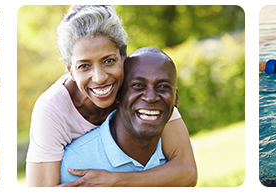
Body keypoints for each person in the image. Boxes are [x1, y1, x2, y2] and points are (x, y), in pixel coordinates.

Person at [24, 5, 196, 187]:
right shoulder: (52, 109)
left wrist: (114, 181)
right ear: (70, 71)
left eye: (108, 61)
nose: (100, 78)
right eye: (84, 66)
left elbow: (186, 171)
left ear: (123, 56)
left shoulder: (140, 89)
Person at [60, 47, 184, 185]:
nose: (151, 98)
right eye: (138, 85)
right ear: (117, 95)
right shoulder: (73, 166)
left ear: (176, 99)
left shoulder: (175, 151)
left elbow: (189, 173)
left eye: (162, 87)